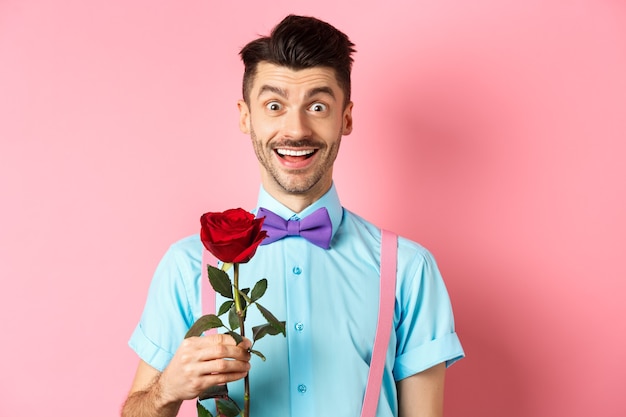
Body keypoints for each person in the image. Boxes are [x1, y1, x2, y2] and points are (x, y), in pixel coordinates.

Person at [122, 14, 464, 417]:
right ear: (246, 115)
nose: (296, 129)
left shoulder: (409, 269)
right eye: (274, 105)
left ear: (346, 118)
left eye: (317, 106)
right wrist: (167, 389)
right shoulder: (187, 267)